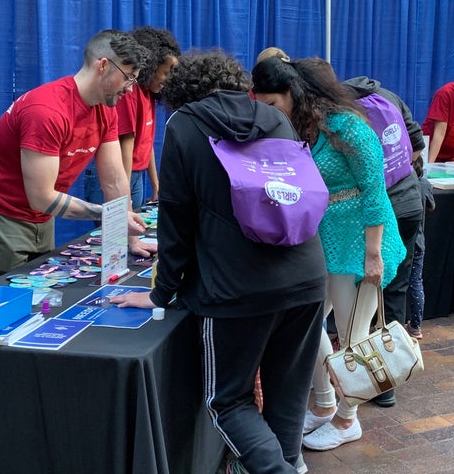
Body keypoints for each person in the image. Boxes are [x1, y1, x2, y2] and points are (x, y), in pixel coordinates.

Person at [110, 49, 327, 474]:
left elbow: (176, 218)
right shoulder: (275, 118)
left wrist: (161, 292)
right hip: (305, 276)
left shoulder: (185, 124)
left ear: (181, 92)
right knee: (287, 396)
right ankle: (289, 465)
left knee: (227, 402)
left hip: (235, 289)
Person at [251, 56, 406, 451]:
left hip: (362, 246)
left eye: (272, 103)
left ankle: (347, 418)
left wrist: (373, 256)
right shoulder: (305, 127)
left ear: (295, 93)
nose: (269, 111)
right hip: (326, 245)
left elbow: (374, 193)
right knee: (307, 325)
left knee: (353, 339)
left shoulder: (349, 127)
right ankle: (323, 406)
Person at [0, 29, 152, 278]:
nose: (131, 90)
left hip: (44, 220)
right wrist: (108, 214)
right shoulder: (46, 111)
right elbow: (41, 197)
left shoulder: (105, 108)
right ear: (103, 66)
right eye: (128, 78)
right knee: (8, 304)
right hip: (4, 219)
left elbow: (114, 180)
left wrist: (130, 238)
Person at [343, 75, 424, 407]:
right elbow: (416, 147)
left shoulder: (343, 110)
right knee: (396, 290)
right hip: (410, 203)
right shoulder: (390, 95)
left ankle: (367, 378)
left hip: (380, 215)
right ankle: (389, 378)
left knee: (367, 294)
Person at [84, 26, 181, 209]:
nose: (169, 79)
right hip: (115, 175)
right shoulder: (131, 92)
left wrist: (156, 185)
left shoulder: (148, 94)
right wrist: (123, 197)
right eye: (166, 72)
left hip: (135, 176)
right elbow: (125, 145)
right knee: (116, 236)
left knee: (131, 234)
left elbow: (146, 143)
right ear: (151, 66)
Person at [406, 155, 436, 339]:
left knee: (399, 284)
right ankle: (416, 326)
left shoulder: (403, 185)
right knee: (416, 283)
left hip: (404, 243)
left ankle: (395, 324)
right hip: (419, 242)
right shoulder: (424, 184)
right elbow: (432, 206)